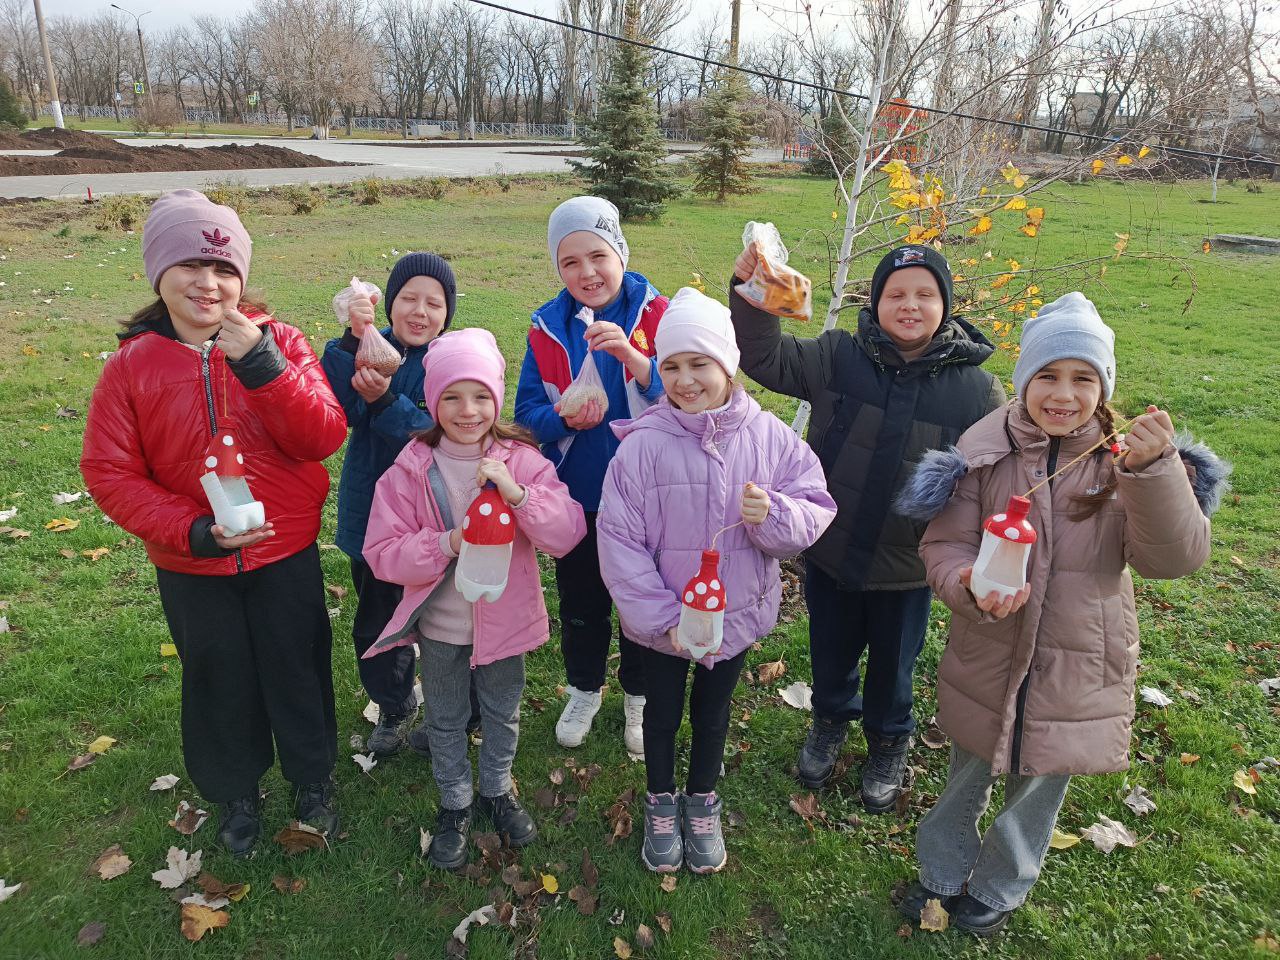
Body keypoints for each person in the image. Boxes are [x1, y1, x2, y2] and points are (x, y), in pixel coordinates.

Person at [894, 292, 1228, 935]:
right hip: (987, 655)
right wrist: (968, 583)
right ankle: (940, 869)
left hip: (1079, 662)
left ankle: (998, 887)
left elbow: (1173, 558)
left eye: (1082, 378)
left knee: (1038, 787)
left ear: (1103, 386)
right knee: (967, 771)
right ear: (1023, 382)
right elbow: (944, 543)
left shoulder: (1123, 462)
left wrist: (1155, 472)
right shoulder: (983, 450)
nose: (1063, 393)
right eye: (1047, 375)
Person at [80, 189, 348, 857]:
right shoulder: (132, 366)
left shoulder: (279, 341)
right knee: (217, 672)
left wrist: (262, 366)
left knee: (297, 667)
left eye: (224, 268)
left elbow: (323, 435)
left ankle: (313, 780)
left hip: (283, 553)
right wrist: (193, 532)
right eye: (190, 266)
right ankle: (234, 790)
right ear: (159, 274)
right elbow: (110, 472)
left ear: (243, 278)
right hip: (193, 565)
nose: (209, 283)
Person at [730, 242, 1005, 811]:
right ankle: (829, 720)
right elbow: (764, 360)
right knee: (830, 650)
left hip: (907, 566)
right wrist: (753, 297)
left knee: (893, 666)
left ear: (946, 305)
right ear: (876, 301)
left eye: (925, 295)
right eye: (896, 294)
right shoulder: (838, 358)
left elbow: (993, 477)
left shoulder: (976, 392)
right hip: (831, 551)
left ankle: (888, 738)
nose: (910, 305)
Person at [597, 288, 836, 873]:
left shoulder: (770, 438)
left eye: (699, 364)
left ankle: (701, 799)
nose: (683, 379)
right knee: (661, 713)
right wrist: (662, 621)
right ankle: (660, 800)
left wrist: (774, 514)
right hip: (663, 627)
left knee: (712, 712)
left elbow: (815, 506)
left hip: (732, 617)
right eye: (671, 365)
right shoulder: (641, 449)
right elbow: (619, 544)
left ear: (728, 367)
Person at [362, 328, 586, 870]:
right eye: (452, 397)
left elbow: (567, 532)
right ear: (433, 401)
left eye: (481, 395)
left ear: (497, 399)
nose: (468, 410)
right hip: (440, 627)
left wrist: (518, 495)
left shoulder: (522, 461)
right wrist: (446, 543)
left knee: (503, 714)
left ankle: (495, 789)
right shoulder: (412, 468)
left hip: (505, 624)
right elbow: (382, 551)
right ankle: (455, 802)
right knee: (445, 716)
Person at [515, 195, 669, 754]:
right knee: (581, 603)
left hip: (646, 498)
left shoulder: (655, 315)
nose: (586, 273)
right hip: (578, 496)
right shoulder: (547, 328)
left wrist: (634, 360)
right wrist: (559, 415)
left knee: (639, 602)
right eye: (570, 262)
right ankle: (584, 686)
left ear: (620, 252)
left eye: (597, 256)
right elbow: (527, 414)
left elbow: (688, 394)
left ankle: (639, 695)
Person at [321, 253, 479, 758]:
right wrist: (351, 343)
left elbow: (435, 431)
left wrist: (387, 402)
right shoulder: (368, 351)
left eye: (434, 303)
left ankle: (455, 709)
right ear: (387, 306)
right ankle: (393, 704)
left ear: (447, 312)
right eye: (408, 299)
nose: (419, 311)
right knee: (379, 621)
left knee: (446, 618)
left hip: (435, 518)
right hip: (371, 518)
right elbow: (338, 412)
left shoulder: (448, 363)